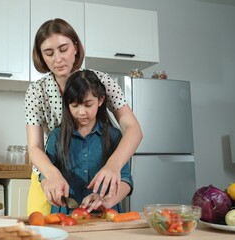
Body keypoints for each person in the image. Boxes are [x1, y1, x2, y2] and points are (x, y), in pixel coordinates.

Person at [25, 18, 142, 215]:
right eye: (49, 53)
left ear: (76, 48)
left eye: (63, 49)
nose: (58, 58)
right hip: (49, 174)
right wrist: (52, 175)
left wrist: (113, 165)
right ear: (41, 56)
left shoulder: (101, 81)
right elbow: (34, 147)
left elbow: (133, 129)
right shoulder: (36, 91)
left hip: (98, 178)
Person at [43, 69, 133, 213]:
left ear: (101, 100)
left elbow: (126, 181)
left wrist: (106, 201)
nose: (81, 112)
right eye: (74, 105)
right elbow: (45, 176)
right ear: (67, 104)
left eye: (88, 104)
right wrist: (49, 187)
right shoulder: (56, 136)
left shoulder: (114, 136)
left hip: (105, 215)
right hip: (66, 215)